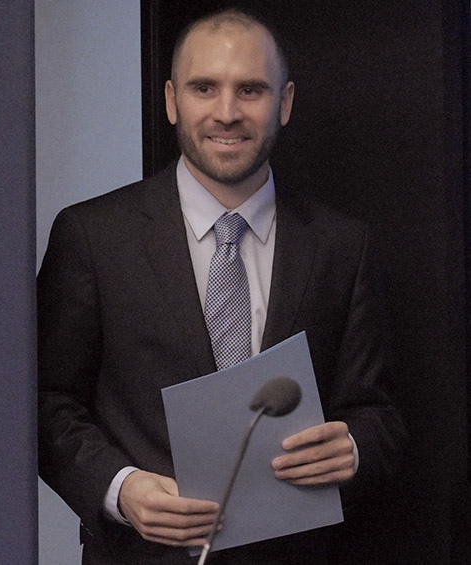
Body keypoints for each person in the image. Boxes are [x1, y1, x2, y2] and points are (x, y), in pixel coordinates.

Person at [37, 9, 405, 564]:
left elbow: (379, 415)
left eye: (250, 90)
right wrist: (119, 488)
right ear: (171, 101)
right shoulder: (91, 237)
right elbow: (46, 402)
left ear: (284, 103)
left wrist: (353, 448)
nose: (227, 112)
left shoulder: (342, 246)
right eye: (204, 88)